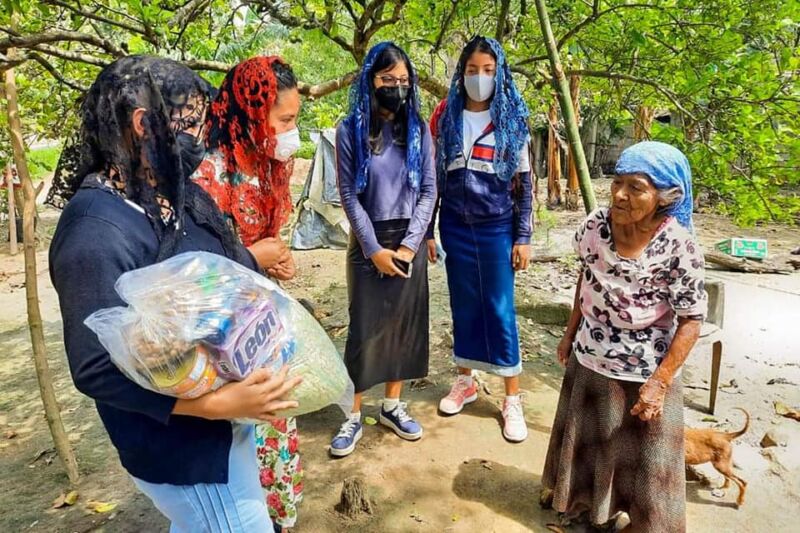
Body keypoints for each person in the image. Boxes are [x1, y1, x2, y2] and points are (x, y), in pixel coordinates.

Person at [49, 55, 300, 533]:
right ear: (144, 125)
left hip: (221, 427)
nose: (200, 140)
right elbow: (95, 368)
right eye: (189, 125)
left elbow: (210, 273)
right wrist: (212, 406)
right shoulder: (94, 232)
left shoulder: (162, 192)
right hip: (185, 450)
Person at [540, 141, 708, 532]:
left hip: (647, 371)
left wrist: (660, 383)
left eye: (636, 187)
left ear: (665, 197)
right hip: (592, 359)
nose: (620, 194)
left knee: (646, 462)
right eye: (618, 182)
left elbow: (691, 320)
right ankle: (587, 513)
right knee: (592, 448)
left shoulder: (679, 245)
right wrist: (570, 335)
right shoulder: (594, 226)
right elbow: (587, 279)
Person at [191, 56, 304, 530]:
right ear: (255, 115)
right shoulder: (208, 174)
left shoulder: (269, 163)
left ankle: (272, 517)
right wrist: (258, 255)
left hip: (261, 328)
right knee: (238, 444)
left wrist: (276, 259)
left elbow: (268, 242)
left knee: (272, 425)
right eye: (285, 120)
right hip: (220, 335)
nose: (291, 132)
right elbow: (198, 270)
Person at [330, 42, 436, 457]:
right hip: (367, 241)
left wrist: (410, 246)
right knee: (365, 329)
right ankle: (353, 415)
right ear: (370, 80)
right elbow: (348, 195)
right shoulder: (350, 129)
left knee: (403, 328)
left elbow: (428, 190)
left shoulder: (419, 129)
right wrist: (373, 248)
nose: (396, 87)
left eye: (403, 81)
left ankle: (392, 405)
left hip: (408, 238)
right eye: (387, 79)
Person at [427, 36, 533, 442]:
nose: (479, 77)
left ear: (499, 72)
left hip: (496, 227)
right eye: (472, 70)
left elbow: (524, 185)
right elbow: (434, 180)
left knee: (500, 309)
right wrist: (431, 230)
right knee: (464, 305)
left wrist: (522, 236)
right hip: (456, 224)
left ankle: (511, 398)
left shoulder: (511, 119)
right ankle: (466, 381)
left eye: (488, 70)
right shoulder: (446, 116)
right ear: (461, 73)